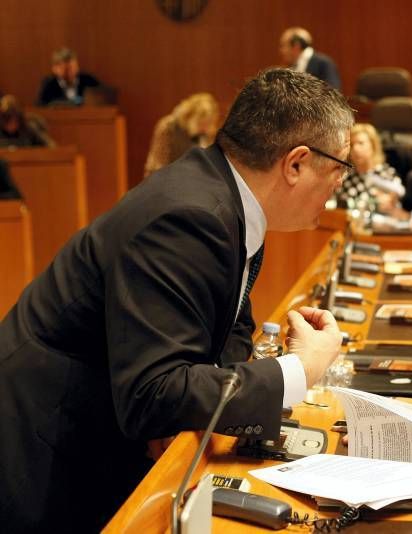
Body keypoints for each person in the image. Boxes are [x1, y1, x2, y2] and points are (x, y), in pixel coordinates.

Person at [0, 69, 352, 532]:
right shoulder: (189, 216)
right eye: (340, 168)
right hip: (50, 443)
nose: (340, 185)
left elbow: (228, 330)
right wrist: (298, 371)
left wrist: (231, 388)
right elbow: (153, 394)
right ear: (296, 163)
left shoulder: (226, 199)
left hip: (96, 422)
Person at [143, 92, 220, 177]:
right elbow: (157, 164)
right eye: (201, 123)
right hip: (168, 179)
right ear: (189, 116)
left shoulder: (208, 133)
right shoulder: (168, 127)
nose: (205, 128)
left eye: (208, 124)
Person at [36, 47, 101, 106]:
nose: (69, 72)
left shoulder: (88, 81)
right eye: (65, 69)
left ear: (77, 66)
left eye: (72, 67)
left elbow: (102, 100)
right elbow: (41, 107)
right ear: (54, 68)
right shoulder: (49, 85)